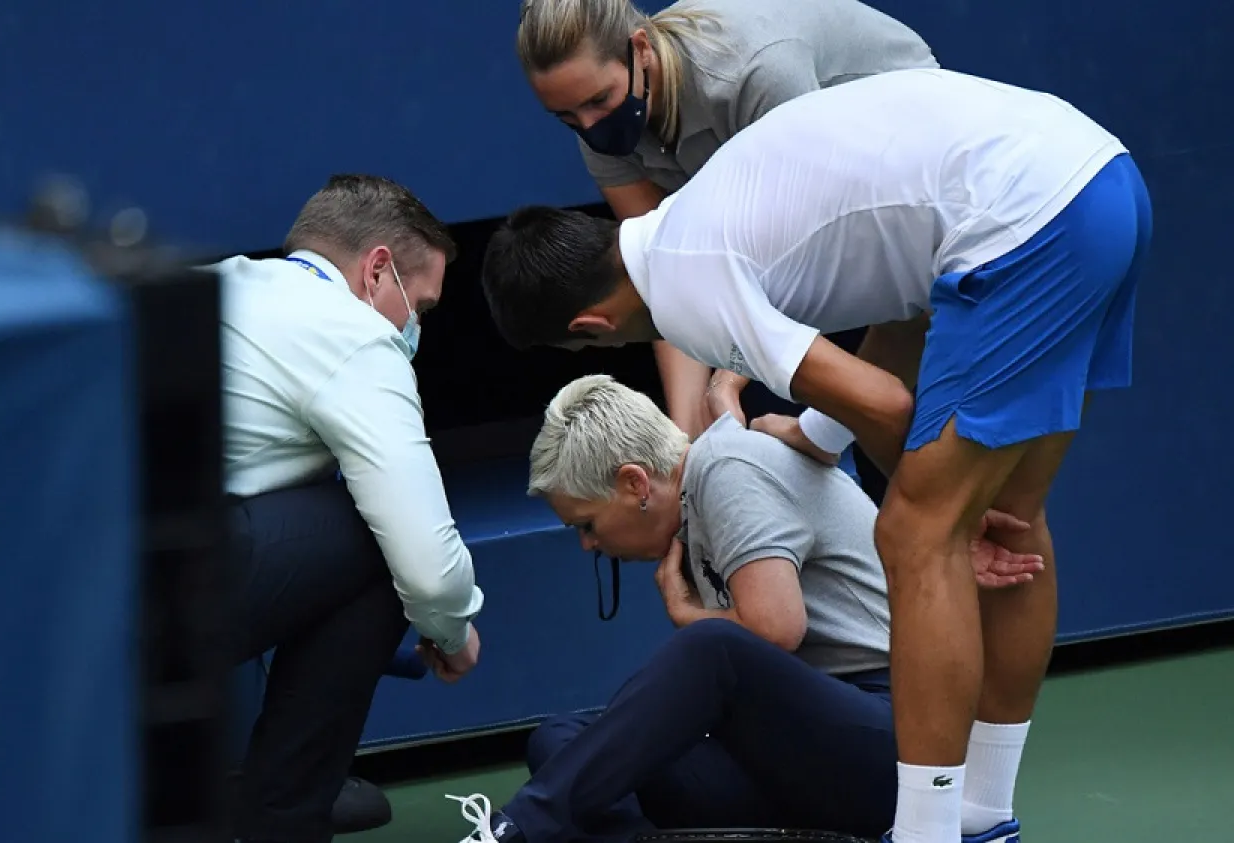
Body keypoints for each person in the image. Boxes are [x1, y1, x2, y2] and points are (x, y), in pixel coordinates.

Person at [476, 68, 1152, 843]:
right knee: (1014, 517)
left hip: (1031, 219)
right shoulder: (698, 218)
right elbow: (902, 316)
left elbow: (888, 404)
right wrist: (817, 434)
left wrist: (948, 517)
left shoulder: (686, 287)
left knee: (918, 529)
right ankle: (984, 816)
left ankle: (931, 833)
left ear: (591, 326)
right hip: (1099, 179)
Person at [444, 375, 1043, 843]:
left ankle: (517, 830)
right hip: (803, 751)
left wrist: (688, 617)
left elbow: (775, 629)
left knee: (711, 649)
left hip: (899, 737)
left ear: (634, 484)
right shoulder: (697, 492)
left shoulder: (725, 469)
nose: (587, 544)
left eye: (588, 524)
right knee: (563, 740)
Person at [514, 0, 938, 443]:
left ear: (640, 50)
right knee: (747, 417)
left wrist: (728, 378)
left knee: (885, 415)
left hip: (915, 165)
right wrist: (683, 438)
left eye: (600, 99)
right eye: (566, 118)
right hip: (828, 229)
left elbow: (811, 249)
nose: (589, 126)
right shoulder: (599, 131)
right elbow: (662, 281)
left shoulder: (755, 74)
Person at [217, 173, 487, 843]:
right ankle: (283, 820)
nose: (415, 325)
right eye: (419, 303)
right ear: (375, 271)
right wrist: (453, 630)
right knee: (379, 539)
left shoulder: (226, 281)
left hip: (71, 576)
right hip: (154, 599)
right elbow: (426, 563)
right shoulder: (354, 334)